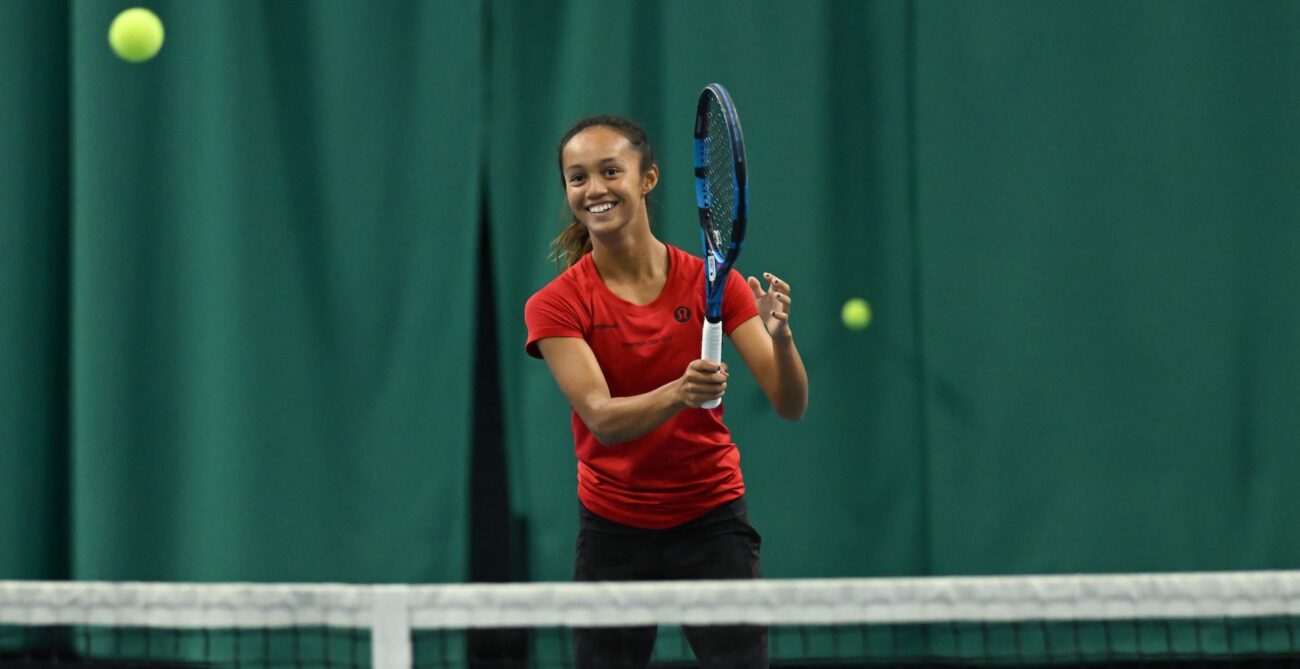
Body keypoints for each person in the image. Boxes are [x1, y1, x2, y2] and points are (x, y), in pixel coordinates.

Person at [524, 114, 809, 668]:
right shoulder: (555, 304)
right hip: (613, 529)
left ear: (647, 178)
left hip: (712, 521)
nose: (595, 190)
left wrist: (782, 339)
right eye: (577, 178)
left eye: (611, 171)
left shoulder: (717, 284)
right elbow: (602, 419)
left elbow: (790, 404)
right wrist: (679, 392)